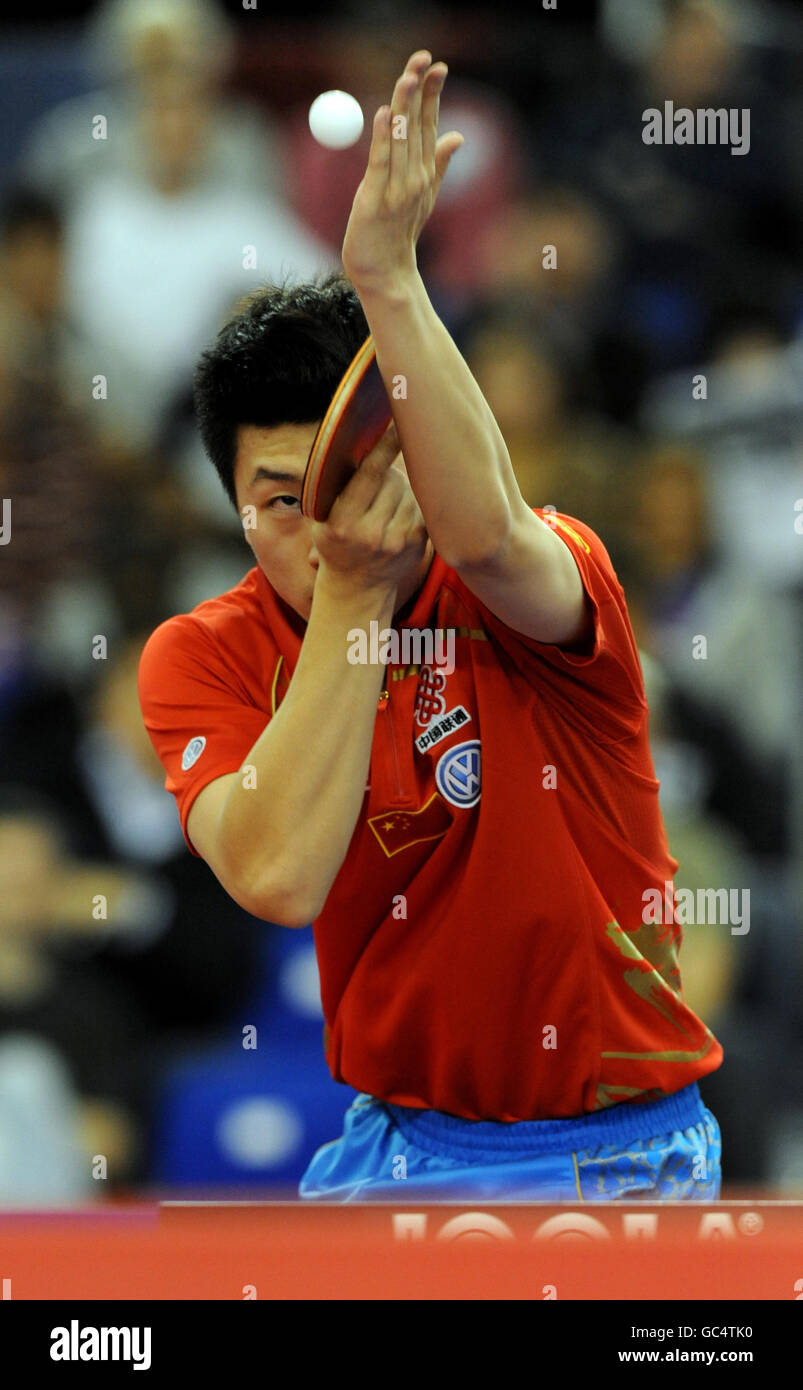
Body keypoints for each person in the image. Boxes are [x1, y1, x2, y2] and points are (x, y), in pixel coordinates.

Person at [138, 50, 723, 1202]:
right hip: (394, 1153)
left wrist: (388, 282)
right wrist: (354, 600)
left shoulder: (542, 579)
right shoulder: (201, 651)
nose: (314, 526)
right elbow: (279, 874)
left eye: (337, 480)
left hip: (614, 1160)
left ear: (391, 460)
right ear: (230, 511)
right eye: (273, 503)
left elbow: (495, 532)